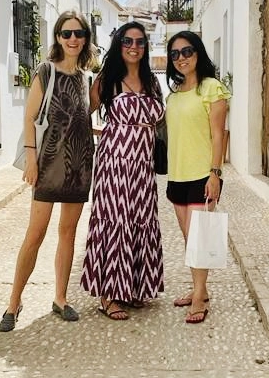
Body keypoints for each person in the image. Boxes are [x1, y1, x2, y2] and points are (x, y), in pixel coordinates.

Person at [0, 11, 95, 331]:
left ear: (86, 38)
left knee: (68, 232)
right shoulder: (46, 70)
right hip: (49, 163)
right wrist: (32, 160)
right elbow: (30, 118)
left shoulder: (86, 78)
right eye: (67, 34)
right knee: (35, 233)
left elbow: (81, 119)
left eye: (78, 34)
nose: (73, 39)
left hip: (79, 165)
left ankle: (60, 298)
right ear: (58, 37)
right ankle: (14, 302)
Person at [81, 22, 165, 320]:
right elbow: (83, 115)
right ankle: (108, 295)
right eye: (128, 41)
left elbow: (159, 121)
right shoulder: (107, 80)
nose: (134, 47)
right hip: (114, 164)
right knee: (115, 221)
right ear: (119, 44)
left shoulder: (152, 82)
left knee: (141, 218)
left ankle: (133, 287)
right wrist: (105, 132)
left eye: (140, 42)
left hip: (143, 166)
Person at [164, 31, 230, 324]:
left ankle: (200, 296)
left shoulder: (211, 88)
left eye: (187, 51)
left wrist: (215, 174)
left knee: (199, 239)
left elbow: (219, 135)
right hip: (177, 174)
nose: (181, 58)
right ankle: (197, 288)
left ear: (198, 52)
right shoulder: (174, 94)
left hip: (202, 174)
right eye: (175, 54)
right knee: (190, 238)